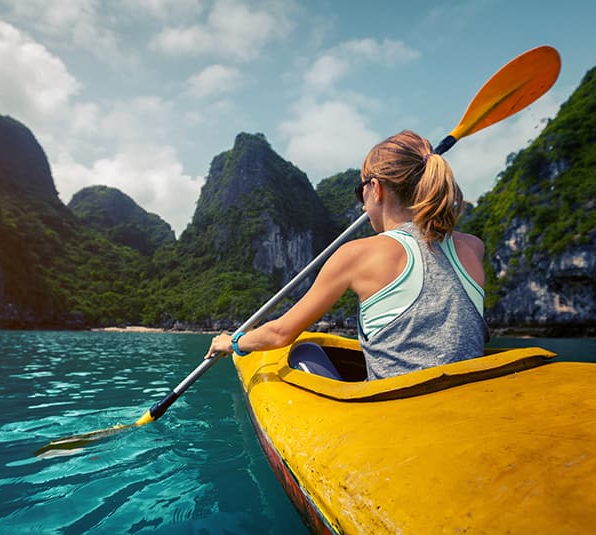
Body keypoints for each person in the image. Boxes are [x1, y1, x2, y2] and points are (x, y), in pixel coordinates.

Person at [205, 130, 488, 380]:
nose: (363, 206)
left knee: (304, 351)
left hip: (397, 413)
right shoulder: (473, 247)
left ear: (375, 189)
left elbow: (280, 334)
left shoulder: (356, 255)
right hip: (465, 402)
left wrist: (232, 342)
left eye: (360, 191)